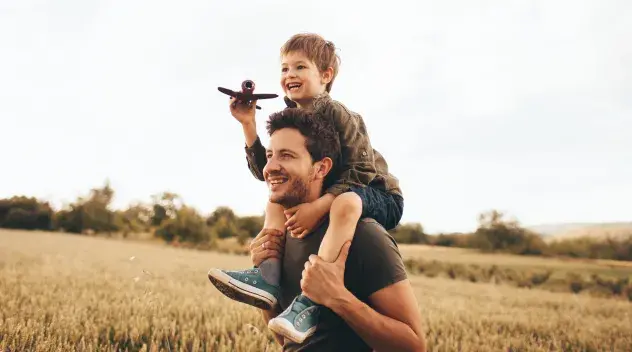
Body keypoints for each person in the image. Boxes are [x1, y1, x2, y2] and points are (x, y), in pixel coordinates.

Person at [208, 33, 404, 343]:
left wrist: (319, 206)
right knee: (278, 192)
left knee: (346, 203)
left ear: (326, 76)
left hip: (376, 194)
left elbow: (361, 171)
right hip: (336, 193)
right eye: (284, 69)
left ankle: (311, 300)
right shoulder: (293, 119)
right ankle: (268, 276)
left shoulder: (341, 115)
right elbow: (268, 173)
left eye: (300, 67)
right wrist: (248, 125)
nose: (289, 75)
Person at [215, 108, 426, 351]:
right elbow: (286, 340)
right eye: (270, 155)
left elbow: (415, 346)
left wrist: (337, 298)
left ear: (321, 168)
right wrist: (266, 286)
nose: (269, 167)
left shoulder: (365, 236)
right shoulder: (283, 235)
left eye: (286, 156)